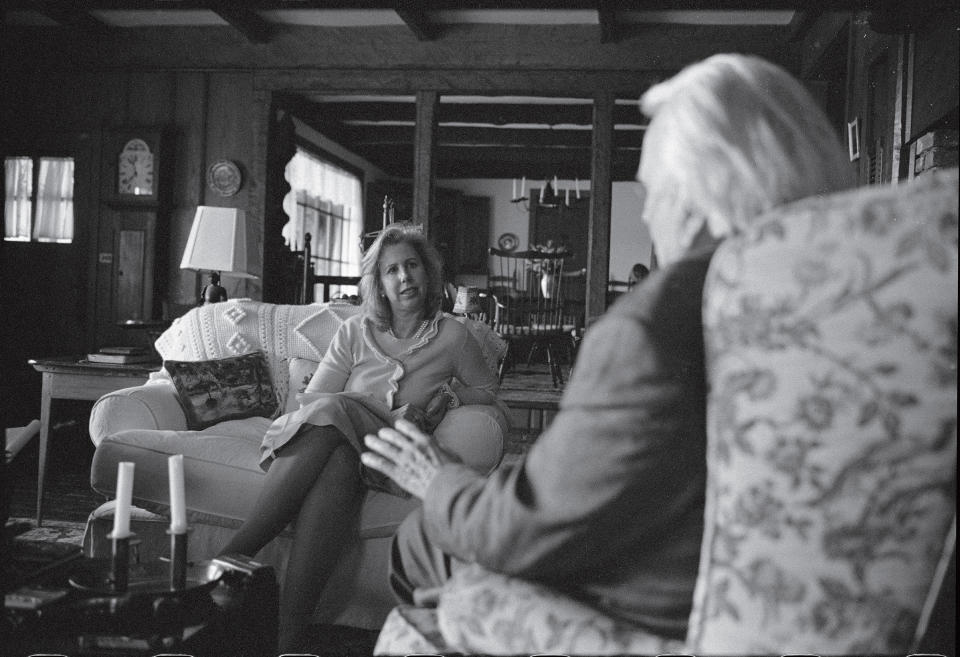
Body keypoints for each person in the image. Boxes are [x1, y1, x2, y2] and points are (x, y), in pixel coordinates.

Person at [361, 53, 853, 644]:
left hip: (655, 599)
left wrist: (435, 478)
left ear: (697, 195)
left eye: (653, 192)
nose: (647, 212)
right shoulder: (850, 299)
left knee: (418, 538)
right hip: (784, 602)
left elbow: (525, 529)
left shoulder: (653, 325)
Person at [218, 222, 500, 651]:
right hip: (337, 447)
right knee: (335, 456)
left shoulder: (452, 335)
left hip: (390, 451)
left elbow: (489, 394)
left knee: (336, 411)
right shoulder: (355, 331)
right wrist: (364, 406)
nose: (404, 277)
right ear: (379, 284)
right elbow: (316, 401)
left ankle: (235, 553)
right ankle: (289, 640)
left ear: (428, 273)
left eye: (412, 266)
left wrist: (449, 395)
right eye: (392, 270)